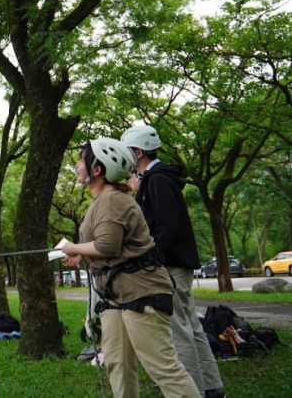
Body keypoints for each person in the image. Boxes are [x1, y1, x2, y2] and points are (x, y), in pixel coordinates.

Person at [62, 138, 198, 398]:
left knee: (163, 368)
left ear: (97, 170)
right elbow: (108, 245)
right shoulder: (101, 199)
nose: (78, 166)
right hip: (114, 295)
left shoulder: (112, 200)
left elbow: (107, 247)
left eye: (81, 160)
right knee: (117, 364)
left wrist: (74, 248)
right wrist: (81, 255)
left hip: (141, 292)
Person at [121, 125, 226, 398]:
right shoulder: (154, 179)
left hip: (171, 264)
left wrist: (152, 258)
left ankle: (195, 391)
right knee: (191, 326)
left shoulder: (157, 180)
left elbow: (166, 226)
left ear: (139, 152)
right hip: (177, 262)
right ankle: (212, 388)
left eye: (129, 152)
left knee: (179, 330)